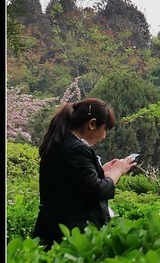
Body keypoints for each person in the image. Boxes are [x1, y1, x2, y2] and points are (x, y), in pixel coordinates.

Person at [33, 98, 138, 247]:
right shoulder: (77, 149)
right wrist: (117, 172)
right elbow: (96, 191)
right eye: (105, 129)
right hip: (72, 236)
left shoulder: (60, 142)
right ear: (92, 124)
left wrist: (101, 171)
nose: (104, 136)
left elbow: (73, 183)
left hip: (52, 229)